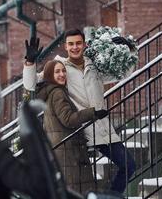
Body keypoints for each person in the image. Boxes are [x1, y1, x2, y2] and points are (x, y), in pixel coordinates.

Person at [23, 29, 136, 194]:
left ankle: (109, 197)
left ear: (84, 44)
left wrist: (127, 49)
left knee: (129, 165)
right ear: (65, 47)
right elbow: (31, 85)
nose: (75, 47)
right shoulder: (60, 68)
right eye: (71, 44)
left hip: (102, 129)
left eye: (78, 43)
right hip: (80, 131)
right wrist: (29, 63)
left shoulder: (94, 66)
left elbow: (123, 73)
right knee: (81, 183)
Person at [34, 59, 108, 194]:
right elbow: (68, 119)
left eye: (63, 71)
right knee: (79, 192)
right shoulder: (57, 93)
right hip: (70, 153)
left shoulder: (49, 93)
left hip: (62, 152)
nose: (62, 74)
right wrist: (93, 112)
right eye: (57, 72)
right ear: (50, 75)